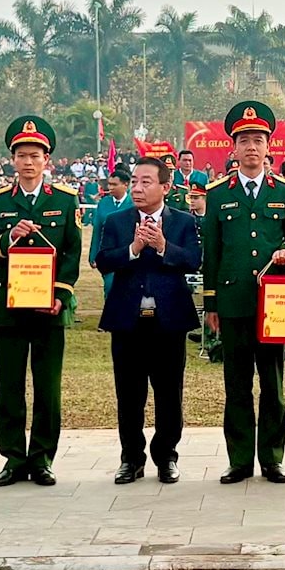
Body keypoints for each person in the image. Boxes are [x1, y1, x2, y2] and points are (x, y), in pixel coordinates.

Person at [200, 100, 285, 484]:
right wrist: (211, 303)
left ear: (268, 146)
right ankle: (240, 459)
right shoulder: (217, 194)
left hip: (275, 303)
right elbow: (212, 252)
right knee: (237, 384)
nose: (251, 147)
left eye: (258, 140)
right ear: (234, 147)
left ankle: (273, 458)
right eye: (244, 140)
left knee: (273, 385)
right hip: (233, 300)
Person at [0, 115, 80, 487]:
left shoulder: (65, 201)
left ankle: (41, 458)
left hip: (48, 309)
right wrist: (9, 237)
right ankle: (12, 458)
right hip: (9, 305)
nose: (28, 162)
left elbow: (71, 252)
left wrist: (60, 295)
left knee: (47, 386)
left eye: (35, 155)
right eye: (21, 155)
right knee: (9, 386)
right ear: (12, 160)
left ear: (47, 161)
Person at [94, 156, 202, 483]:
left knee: (169, 393)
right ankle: (131, 459)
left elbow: (194, 261)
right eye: (136, 182)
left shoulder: (182, 221)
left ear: (165, 187)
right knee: (129, 394)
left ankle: (166, 457)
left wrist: (164, 245)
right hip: (127, 320)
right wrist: (134, 247)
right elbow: (103, 260)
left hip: (168, 321)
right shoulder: (116, 221)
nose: (138, 188)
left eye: (146, 182)